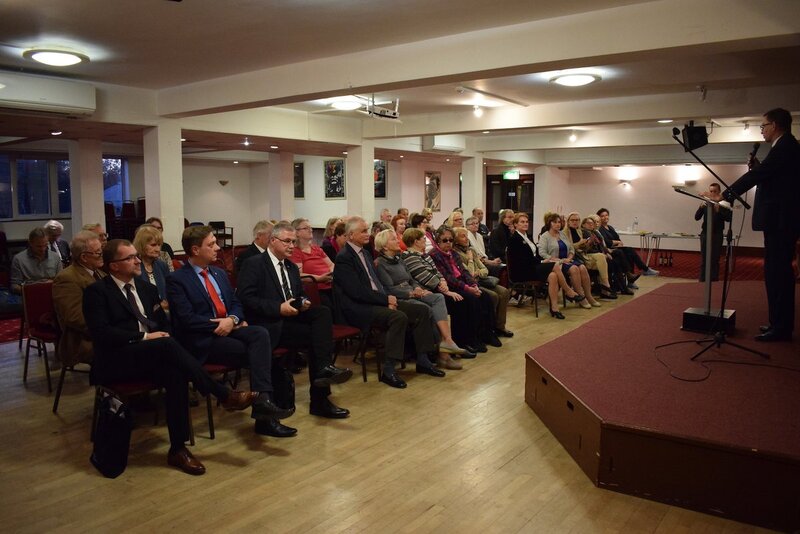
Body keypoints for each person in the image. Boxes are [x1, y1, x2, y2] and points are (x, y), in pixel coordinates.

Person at [83, 239, 261, 475]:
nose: (137, 260)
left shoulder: (146, 289)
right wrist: (145, 338)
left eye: (136, 255)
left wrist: (159, 336)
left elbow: (164, 324)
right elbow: (102, 333)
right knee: (165, 344)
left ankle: (178, 448)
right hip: (117, 359)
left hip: (152, 355)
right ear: (113, 266)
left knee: (175, 372)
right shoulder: (97, 292)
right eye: (129, 258)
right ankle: (223, 394)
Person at [166, 225, 294, 437]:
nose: (218, 247)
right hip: (203, 339)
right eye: (211, 244)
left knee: (260, 333)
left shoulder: (218, 272)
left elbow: (236, 302)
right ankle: (265, 413)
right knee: (258, 352)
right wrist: (222, 324)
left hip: (229, 328)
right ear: (196, 250)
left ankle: (262, 401)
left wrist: (233, 319)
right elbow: (186, 319)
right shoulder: (177, 279)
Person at [238, 221, 353, 422]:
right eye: (287, 241)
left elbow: (297, 294)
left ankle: (322, 381)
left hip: (290, 320)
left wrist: (303, 302)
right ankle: (320, 394)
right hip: (268, 326)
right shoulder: (254, 263)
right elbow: (247, 299)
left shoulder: (290, 267)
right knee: (318, 340)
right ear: (273, 241)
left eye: (293, 241)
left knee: (322, 314)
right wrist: (277, 307)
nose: (292, 246)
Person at [333, 217, 443, 388]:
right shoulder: (344, 257)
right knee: (398, 317)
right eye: (363, 231)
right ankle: (389, 370)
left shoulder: (366, 253)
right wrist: (386, 299)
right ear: (350, 235)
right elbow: (356, 292)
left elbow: (376, 283)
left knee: (421, 311)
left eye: (367, 229)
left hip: (375, 301)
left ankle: (423, 360)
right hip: (357, 308)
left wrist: (386, 299)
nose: (367, 234)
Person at [723, 107, 800, 342]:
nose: (762, 131)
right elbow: (771, 177)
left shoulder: (786, 146)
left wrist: (726, 194)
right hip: (779, 221)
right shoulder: (785, 147)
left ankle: (781, 327)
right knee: (774, 272)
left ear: (774, 125)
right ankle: (777, 323)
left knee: (778, 274)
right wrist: (758, 167)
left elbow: (760, 177)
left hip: (781, 221)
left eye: (763, 126)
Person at [374, 229, 467, 369]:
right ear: (385, 246)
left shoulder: (399, 259)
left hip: (412, 291)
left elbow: (411, 280)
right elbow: (389, 289)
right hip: (400, 298)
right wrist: (412, 293)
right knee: (427, 309)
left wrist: (418, 288)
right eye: (393, 239)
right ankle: (440, 356)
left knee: (438, 298)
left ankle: (447, 341)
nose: (398, 241)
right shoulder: (380, 263)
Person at [506, 213, 581, 319]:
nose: (525, 224)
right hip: (522, 271)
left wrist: (544, 260)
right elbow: (523, 260)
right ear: (515, 225)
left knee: (553, 276)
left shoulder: (527, 236)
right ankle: (568, 291)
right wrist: (542, 262)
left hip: (531, 267)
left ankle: (554, 308)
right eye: (522, 222)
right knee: (554, 265)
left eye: (527, 222)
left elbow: (534, 255)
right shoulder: (514, 239)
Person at [52, 231, 106, 371]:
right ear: (84, 257)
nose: (102, 255)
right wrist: (111, 327)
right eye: (98, 253)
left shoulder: (100, 273)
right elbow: (75, 317)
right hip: (81, 340)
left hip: (103, 330)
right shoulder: (66, 278)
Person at [452, 227, 513, 337]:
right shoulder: (456, 254)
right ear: (455, 240)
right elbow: (468, 274)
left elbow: (485, 269)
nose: (466, 239)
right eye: (463, 236)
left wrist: (478, 273)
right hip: (471, 283)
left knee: (504, 292)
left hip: (481, 280)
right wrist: (470, 260)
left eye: (466, 236)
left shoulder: (471, 250)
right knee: (493, 296)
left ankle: (500, 326)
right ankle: (487, 328)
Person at [538, 213, 601, 309]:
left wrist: (570, 257)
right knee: (574, 269)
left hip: (567, 260)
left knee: (583, 267)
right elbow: (542, 253)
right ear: (549, 223)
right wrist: (558, 260)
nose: (558, 224)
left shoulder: (562, 234)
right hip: (556, 263)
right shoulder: (545, 236)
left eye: (559, 222)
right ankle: (580, 297)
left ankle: (588, 296)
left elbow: (571, 248)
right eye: (555, 222)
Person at [596, 208, 659, 281]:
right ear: (599, 218)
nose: (605, 217)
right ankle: (644, 270)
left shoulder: (610, 227)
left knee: (629, 254)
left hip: (616, 248)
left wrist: (619, 242)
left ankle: (631, 280)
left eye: (606, 215)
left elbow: (618, 238)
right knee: (629, 250)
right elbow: (606, 241)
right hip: (609, 250)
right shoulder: (600, 228)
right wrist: (617, 242)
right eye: (602, 216)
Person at [564, 212, 616, 299]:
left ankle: (605, 284)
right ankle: (598, 290)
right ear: (568, 221)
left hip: (583, 254)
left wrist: (587, 244)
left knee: (601, 256)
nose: (575, 222)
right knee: (607, 261)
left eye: (577, 220)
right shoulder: (565, 232)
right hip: (573, 256)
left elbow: (585, 249)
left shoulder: (579, 231)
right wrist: (580, 243)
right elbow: (568, 248)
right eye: (572, 220)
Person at [290, 218, 336, 308]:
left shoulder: (316, 248)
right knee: (329, 307)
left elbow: (331, 265)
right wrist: (319, 278)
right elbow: (299, 274)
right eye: (306, 228)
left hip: (331, 284)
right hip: (315, 289)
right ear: (297, 232)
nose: (310, 230)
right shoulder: (295, 252)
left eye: (310, 227)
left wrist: (331, 274)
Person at [694, 183, 732, 282]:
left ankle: (714, 280)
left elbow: (728, 218)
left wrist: (719, 210)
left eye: (715, 191)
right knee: (704, 259)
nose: (712, 193)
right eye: (711, 191)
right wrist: (701, 207)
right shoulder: (706, 203)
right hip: (705, 233)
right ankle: (702, 280)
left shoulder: (724, 204)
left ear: (719, 192)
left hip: (717, 234)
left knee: (715, 259)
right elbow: (696, 218)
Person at [10, 227, 63, 294]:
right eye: (39, 246)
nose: (43, 249)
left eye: (45, 245)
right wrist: (34, 289)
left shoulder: (55, 257)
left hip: (51, 294)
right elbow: (15, 286)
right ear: (30, 243)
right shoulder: (18, 259)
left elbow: (61, 281)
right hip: (29, 295)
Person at [133, 225, 171, 312]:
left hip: (165, 314)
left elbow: (169, 291)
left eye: (159, 245)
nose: (158, 249)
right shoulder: (134, 266)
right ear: (141, 245)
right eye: (153, 245)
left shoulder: (162, 265)